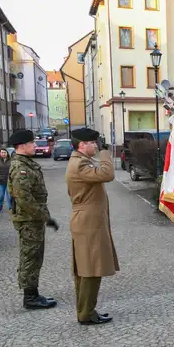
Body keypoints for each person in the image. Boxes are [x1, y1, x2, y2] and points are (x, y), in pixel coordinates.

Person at [65, 128, 118, 325]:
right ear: (82, 145)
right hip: (88, 223)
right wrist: (105, 152)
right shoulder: (79, 164)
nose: (96, 146)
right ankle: (86, 313)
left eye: (97, 143)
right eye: (93, 143)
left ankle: (87, 310)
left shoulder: (81, 162)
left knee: (89, 268)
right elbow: (108, 173)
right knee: (90, 269)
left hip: (89, 221)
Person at [8, 130, 58, 309]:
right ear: (22, 146)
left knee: (35, 256)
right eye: (32, 143)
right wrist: (45, 216)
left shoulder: (27, 164)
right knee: (30, 257)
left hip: (33, 219)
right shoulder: (20, 168)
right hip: (29, 220)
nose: (35, 146)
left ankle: (33, 293)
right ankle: (30, 297)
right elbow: (23, 198)